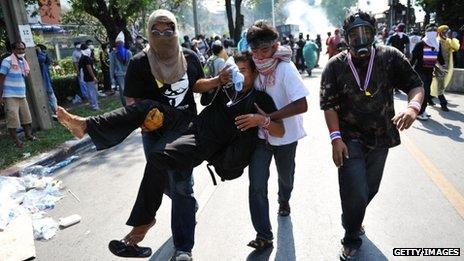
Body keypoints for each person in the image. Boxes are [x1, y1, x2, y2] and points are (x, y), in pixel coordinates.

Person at [57, 52, 284, 259]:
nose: (239, 74)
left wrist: (260, 120)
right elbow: (201, 93)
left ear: (254, 73)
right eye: (237, 69)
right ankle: (85, 125)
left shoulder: (260, 99)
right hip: (189, 122)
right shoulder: (227, 88)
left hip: (203, 143)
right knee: (146, 107)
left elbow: (279, 129)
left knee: (158, 159)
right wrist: (219, 80)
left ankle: (143, 225)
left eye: (243, 71)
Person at [119, 10, 230, 261]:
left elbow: (196, 84)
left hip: (185, 132)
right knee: (164, 183)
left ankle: (183, 248)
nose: (162, 35)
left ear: (175, 31)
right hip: (154, 134)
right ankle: (187, 206)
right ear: (149, 32)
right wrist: (139, 120)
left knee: (180, 188)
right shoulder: (139, 62)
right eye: (156, 31)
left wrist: (216, 80)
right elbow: (130, 98)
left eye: (168, 30)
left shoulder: (189, 56)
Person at [320, 12, 424, 260]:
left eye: (365, 33)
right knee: (354, 190)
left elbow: (415, 84)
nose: (361, 39)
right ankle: (351, 236)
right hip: (349, 139)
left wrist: (412, 108)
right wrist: (336, 139)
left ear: (374, 33)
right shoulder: (335, 66)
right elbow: (328, 105)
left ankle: (352, 218)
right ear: (346, 38)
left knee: (369, 189)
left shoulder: (390, 57)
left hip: (381, 138)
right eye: (354, 35)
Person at [245, 20, 309, 250]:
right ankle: (264, 234)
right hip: (260, 138)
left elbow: (302, 104)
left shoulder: (285, 69)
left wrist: (270, 117)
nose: (260, 55)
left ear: (274, 46)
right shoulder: (251, 67)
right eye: (255, 50)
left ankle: (284, 200)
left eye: (264, 50)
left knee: (286, 177)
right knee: (257, 185)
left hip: (285, 136)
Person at [0, 41, 37, 148]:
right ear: (13, 50)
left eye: (23, 49)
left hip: (21, 94)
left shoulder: (22, 62)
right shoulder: (7, 61)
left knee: (26, 117)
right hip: (10, 95)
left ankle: (28, 135)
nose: (21, 51)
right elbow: (1, 79)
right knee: (13, 119)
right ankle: (16, 141)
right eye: (19, 49)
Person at [410, 23, 444, 120]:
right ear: (426, 32)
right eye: (431, 31)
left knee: (427, 91)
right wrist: (408, 69)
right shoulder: (420, 44)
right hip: (420, 71)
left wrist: (443, 66)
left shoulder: (437, 44)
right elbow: (414, 57)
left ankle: (423, 110)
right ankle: (419, 112)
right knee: (423, 90)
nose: (433, 33)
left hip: (430, 71)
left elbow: (440, 56)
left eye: (435, 31)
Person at [430, 24, 460, 112]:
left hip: (446, 66)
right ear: (441, 32)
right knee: (440, 83)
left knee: (438, 82)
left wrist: (453, 38)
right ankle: (443, 103)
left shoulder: (448, 41)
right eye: (446, 31)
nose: (448, 33)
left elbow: (456, 48)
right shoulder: (436, 41)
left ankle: (429, 97)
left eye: (448, 31)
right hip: (438, 65)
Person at [110, 32, 133, 106]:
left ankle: (127, 105)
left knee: (124, 91)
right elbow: (131, 65)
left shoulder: (113, 53)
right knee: (127, 90)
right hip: (125, 74)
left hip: (122, 75)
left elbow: (112, 67)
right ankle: (129, 105)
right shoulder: (128, 52)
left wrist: (112, 78)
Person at [36, 44, 58, 117]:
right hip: (44, 84)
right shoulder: (39, 62)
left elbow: (48, 60)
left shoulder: (44, 62)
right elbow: (41, 59)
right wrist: (40, 52)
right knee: (50, 99)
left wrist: (41, 52)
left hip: (47, 83)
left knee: (51, 99)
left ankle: (55, 114)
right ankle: (53, 114)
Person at [79, 44, 99, 110]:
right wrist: (94, 77)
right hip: (90, 77)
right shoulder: (86, 58)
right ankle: (95, 106)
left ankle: (92, 104)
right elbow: (89, 68)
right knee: (93, 92)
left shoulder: (82, 57)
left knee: (90, 91)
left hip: (86, 77)